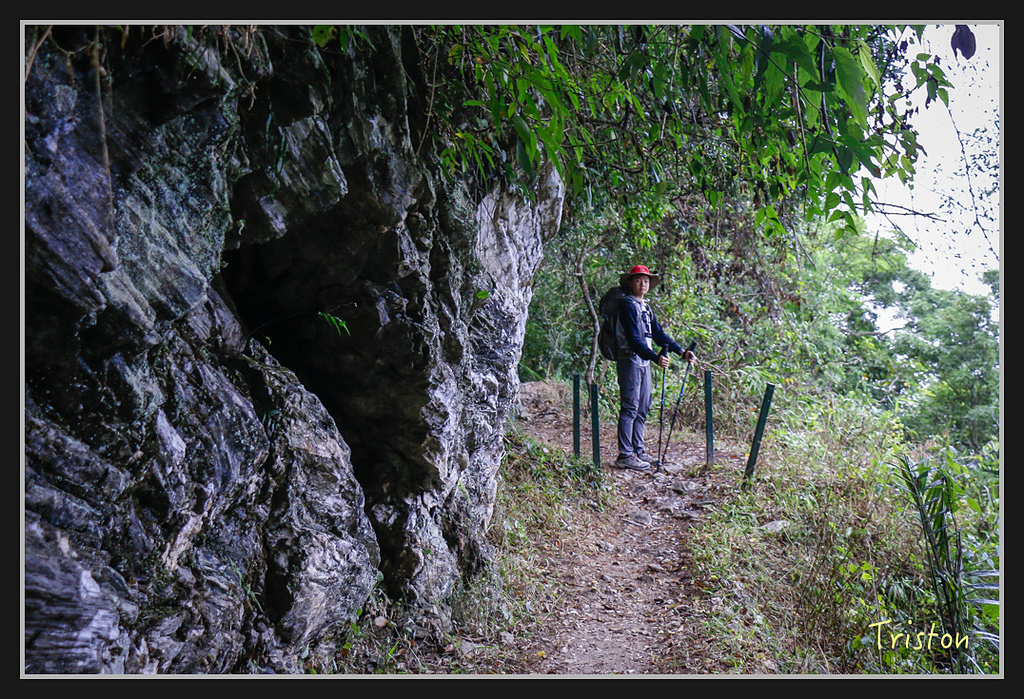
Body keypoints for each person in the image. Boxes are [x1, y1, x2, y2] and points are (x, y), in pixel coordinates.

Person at [613, 265, 696, 471]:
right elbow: (633, 339)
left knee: (643, 406)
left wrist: (681, 352)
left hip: (643, 361)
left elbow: (658, 335)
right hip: (629, 359)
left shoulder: (646, 308)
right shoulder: (628, 306)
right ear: (631, 283)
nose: (643, 284)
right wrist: (654, 357)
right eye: (639, 280)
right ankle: (625, 454)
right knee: (630, 406)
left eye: (647, 281)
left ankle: (638, 450)